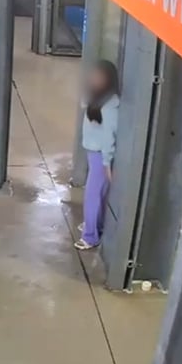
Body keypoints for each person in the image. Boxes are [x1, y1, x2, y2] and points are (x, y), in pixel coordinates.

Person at [75, 59, 120, 251]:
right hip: (92, 152)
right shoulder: (96, 97)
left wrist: (107, 163)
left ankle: (90, 236)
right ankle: (94, 226)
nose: (94, 79)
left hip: (101, 156)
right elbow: (83, 102)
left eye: (99, 77)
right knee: (96, 195)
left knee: (93, 196)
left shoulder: (111, 105)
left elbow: (109, 136)